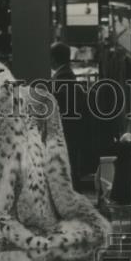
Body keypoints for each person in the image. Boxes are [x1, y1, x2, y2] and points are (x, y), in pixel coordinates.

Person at [50, 41, 90, 187]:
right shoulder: (66, 75)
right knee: (71, 164)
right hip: (74, 128)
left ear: (53, 59)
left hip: (67, 129)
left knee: (68, 165)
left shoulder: (61, 78)